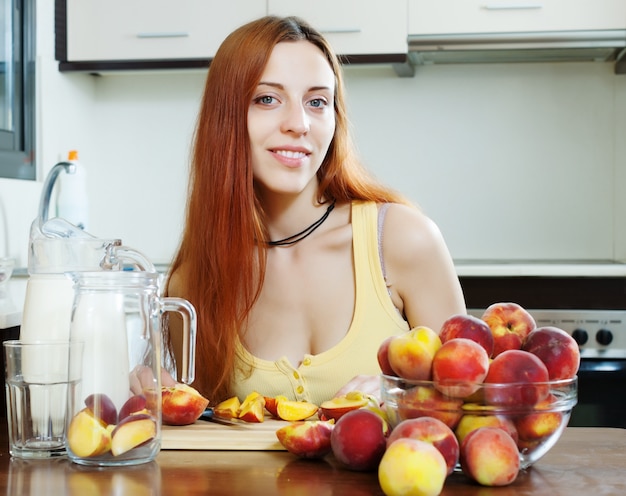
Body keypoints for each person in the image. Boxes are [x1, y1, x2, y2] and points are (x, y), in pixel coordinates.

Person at [164, 15, 466, 407]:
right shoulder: (192, 284)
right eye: (267, 99)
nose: (299, 124)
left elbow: (471, 400)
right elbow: (209, 438)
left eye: (317, 102)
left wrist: (404, 394)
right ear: (226, 118)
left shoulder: (401, 240)